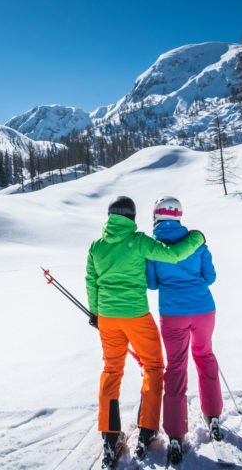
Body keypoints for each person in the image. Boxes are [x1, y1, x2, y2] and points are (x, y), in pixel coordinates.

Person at [85, 196, 206, 468]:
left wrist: (95, 313)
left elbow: (91, 282)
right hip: (136, 316)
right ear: (132, 217)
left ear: (110, 216)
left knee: (111, 370)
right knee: (153, 366)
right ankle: (148, 427)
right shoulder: (139, 241)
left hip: (107, 318)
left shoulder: (96, 246)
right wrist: (198, 237)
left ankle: (109, 435)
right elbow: (174, 254)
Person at [145, 196, 223, 465]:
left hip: (173, 313)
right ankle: (213, 415)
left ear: (156, 217)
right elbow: (211, 277)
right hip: (203, 309)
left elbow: (152, 284)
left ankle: (176, 433)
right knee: (205, 356)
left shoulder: (154, 247)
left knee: (176, 367)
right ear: (179, 216)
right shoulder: (197, 242)